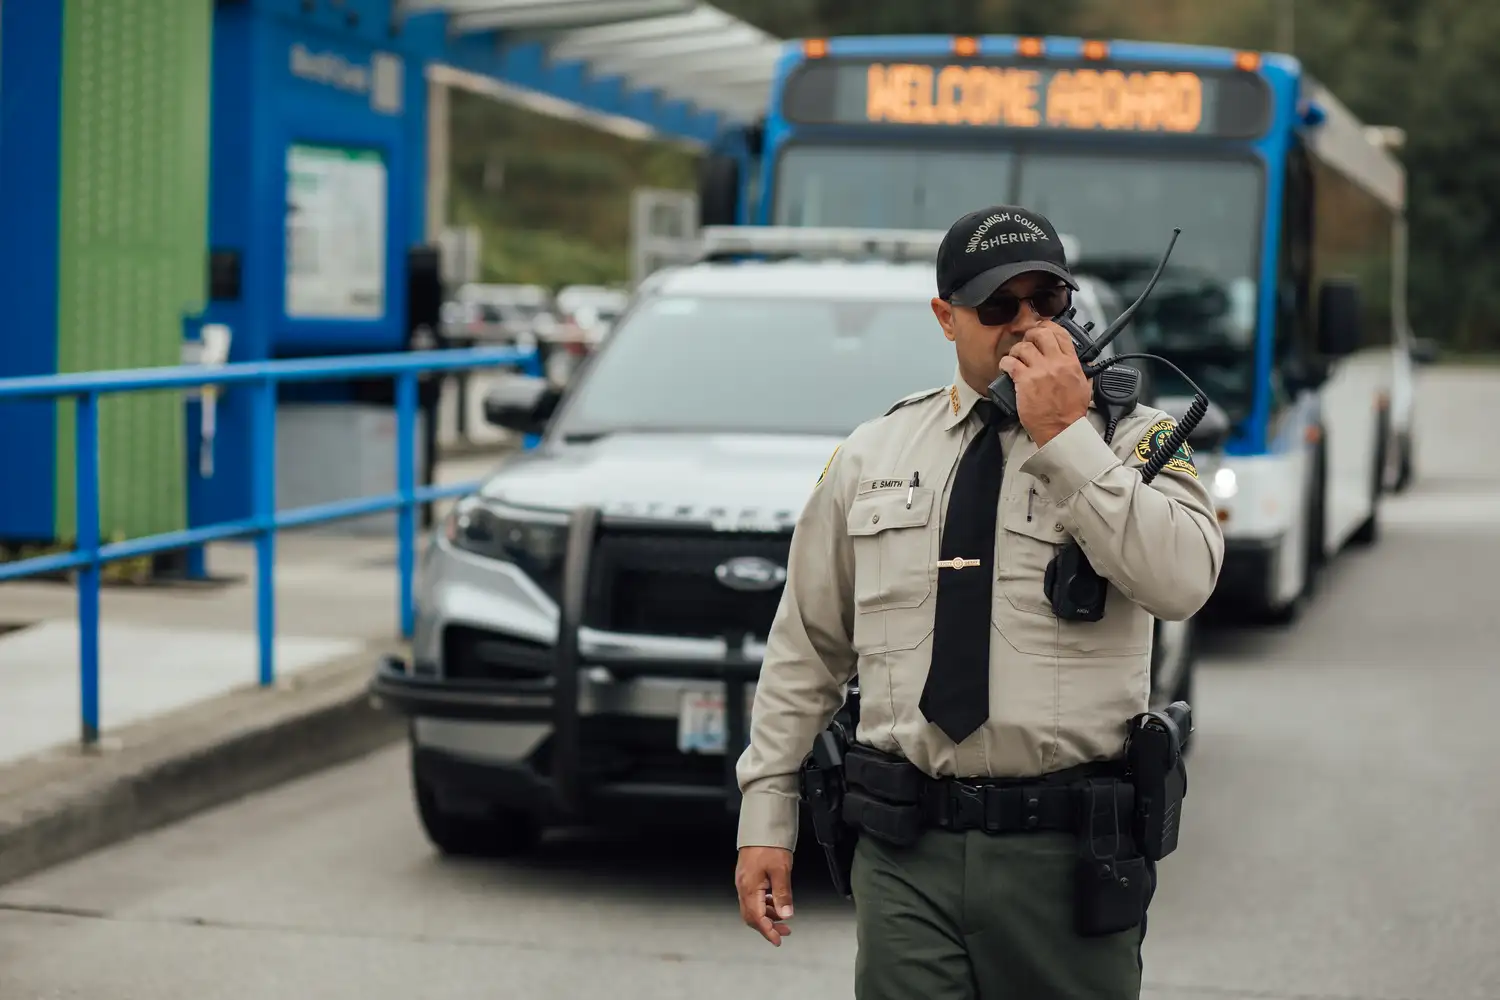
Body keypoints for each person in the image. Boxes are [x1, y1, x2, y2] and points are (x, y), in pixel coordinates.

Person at [732, 205, 1225, 999]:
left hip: (1065, 856)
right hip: (906, 853)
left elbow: (1184, 581)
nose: (1027, 326)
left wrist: (1068, 437)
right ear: (946, 317)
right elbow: (808, 647)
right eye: (999, 307)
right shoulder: (874, 454)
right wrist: (766, 818)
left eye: (1048, 303)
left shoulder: (1134, 440)